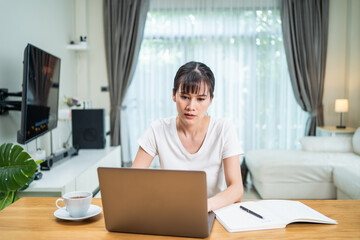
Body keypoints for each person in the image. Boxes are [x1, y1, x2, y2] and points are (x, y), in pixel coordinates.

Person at [132, 61, 244, 212]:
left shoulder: (223, 129)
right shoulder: (158, 129)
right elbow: (133, 181)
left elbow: (237, 189)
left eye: (200, 99)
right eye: (184, 96)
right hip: (169, 210)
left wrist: (204, 206)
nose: (191, 106)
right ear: (174, 95)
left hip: (211, 211)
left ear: (211, 99)